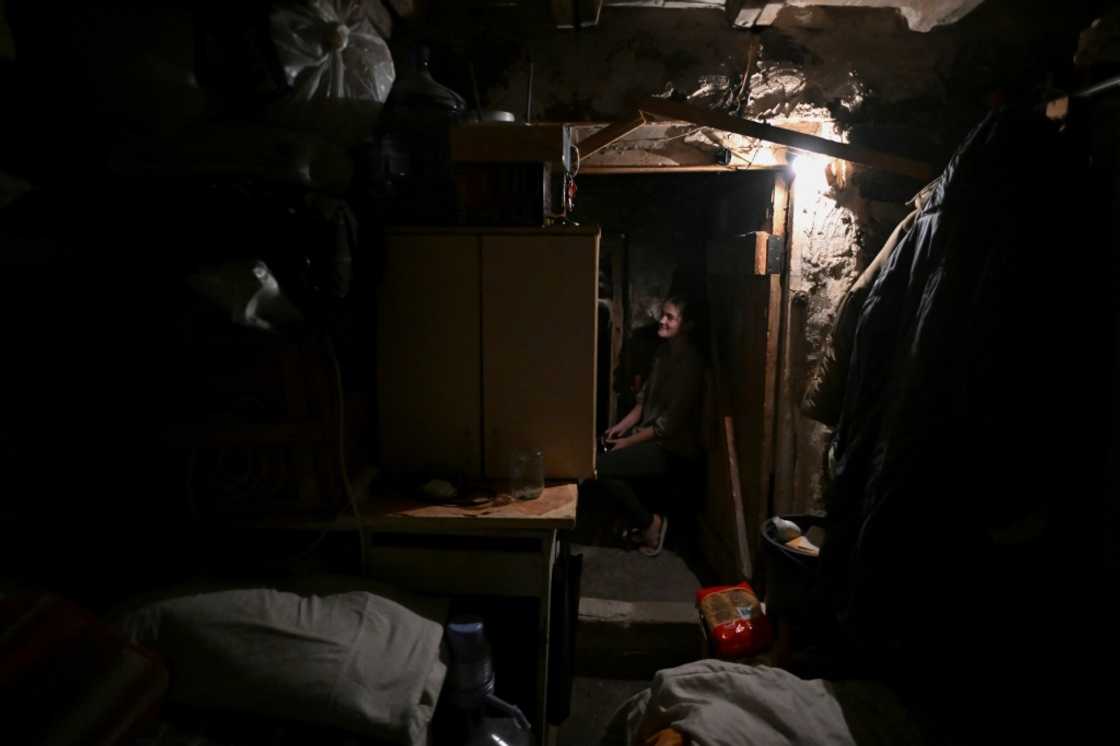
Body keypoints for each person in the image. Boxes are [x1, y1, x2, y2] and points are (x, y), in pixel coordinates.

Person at [594, 296, 704, 556]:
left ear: (685, 325)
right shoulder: (663, 354)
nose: (662, 321)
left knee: (598, 467)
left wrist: (626, 443)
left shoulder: (691, 364)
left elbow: (666, 426)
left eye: (670, 317)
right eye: (662, 315)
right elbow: (643, 404)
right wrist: (617, 429)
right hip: (650, 438)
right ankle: (633, 521)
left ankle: (651, 525)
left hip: (672, 449)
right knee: (602, 448)